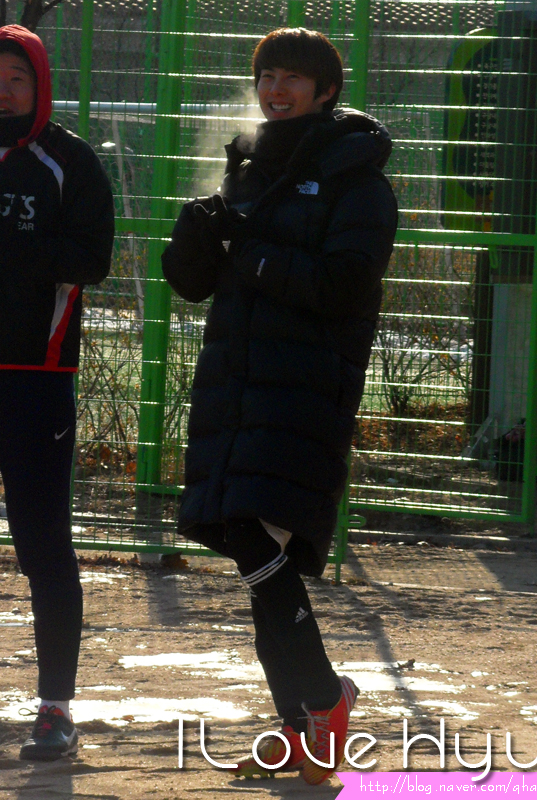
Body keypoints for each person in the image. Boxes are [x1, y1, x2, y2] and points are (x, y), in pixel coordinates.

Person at [162, 27, 397, 784]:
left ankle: (325, 699)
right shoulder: (251, 167)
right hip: (236, 387)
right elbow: (194, 283)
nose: (275, 89)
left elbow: (345, 284)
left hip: (304, 388)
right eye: (267, 75)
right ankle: (304, 727)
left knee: (251, 538)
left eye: (293, 77)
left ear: (326, 91)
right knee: (246, 544)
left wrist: (252, 248)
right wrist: (198, 234)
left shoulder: (357, 179)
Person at [0, 25, 114, 760]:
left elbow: (93, 259)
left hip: (34, 382)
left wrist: (18, 248)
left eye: (16, 77)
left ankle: (55, 708)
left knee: (43, 545)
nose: (4, 91)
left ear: (39, 84)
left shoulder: (70, 161)